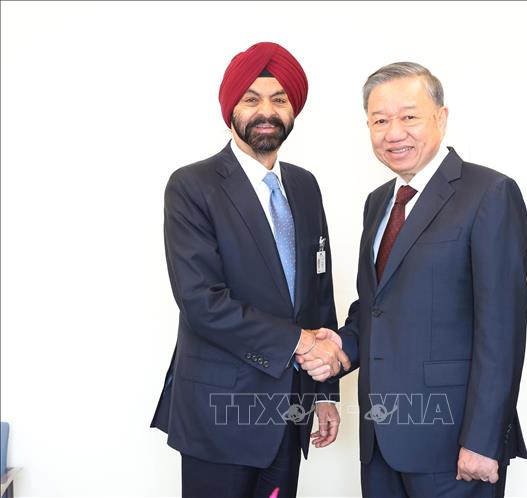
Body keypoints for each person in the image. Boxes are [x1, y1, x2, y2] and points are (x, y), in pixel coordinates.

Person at [298, 62, 527, 498]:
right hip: (381, 439)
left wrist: (482, 442)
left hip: (454, 444)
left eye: (409, 116)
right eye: (379, 121)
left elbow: (502, 330)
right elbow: (376, 308)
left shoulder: (489, 193)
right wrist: (341, 349)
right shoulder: (378, 203)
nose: (394, 133)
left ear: (441, 117)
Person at [150, 41, 350, 498]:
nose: (266, 111)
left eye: (279, 99)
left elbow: (319, 294)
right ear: (231, 109)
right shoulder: (192, 186)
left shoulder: (305, 185)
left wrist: (325, 391)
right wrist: (301, 343)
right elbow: (202, 302)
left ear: (293, 109)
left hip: (289, 410)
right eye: (251, 99)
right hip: (218, 412)